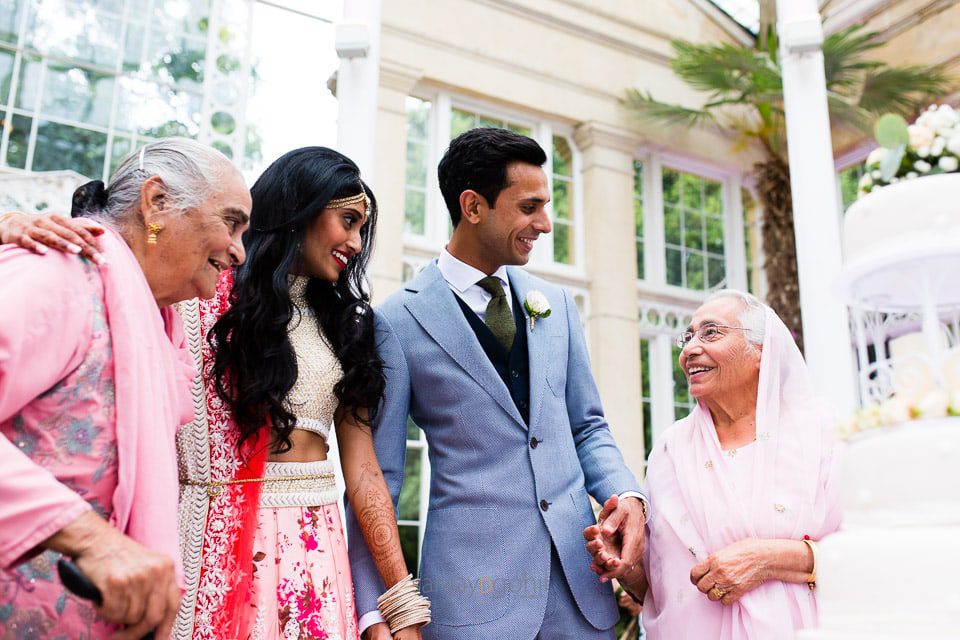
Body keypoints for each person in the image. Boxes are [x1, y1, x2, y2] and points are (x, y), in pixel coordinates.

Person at [3, 147, 427, 640]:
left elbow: (365, 471)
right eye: (347, 221)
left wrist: (396, 604)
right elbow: (113, 250)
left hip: (309, 550)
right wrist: (9, 224)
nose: (356, 243)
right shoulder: (183, 295)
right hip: (194, 541)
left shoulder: (339, 322)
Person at [346, 127, 647, 640]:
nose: (545, 224)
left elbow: (588, 427)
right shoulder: (396, 321)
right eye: (529, 207)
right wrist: (379, 613)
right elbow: (379, 479)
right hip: (471, 599)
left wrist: (627, 495)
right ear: (473, 205)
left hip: (580, 595)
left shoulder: (557, 306)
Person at [0, 138, 251, 639]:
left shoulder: (160, 325)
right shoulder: (61, 273)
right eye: (232, 222)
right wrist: (92, 539)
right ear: (156, 202)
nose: (240, 251)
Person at [584, 290, 842, 639]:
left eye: (711, 333)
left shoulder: (821, 433)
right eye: (687, 337)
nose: (689, 349)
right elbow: (661, 590)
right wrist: (626, 564)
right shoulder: (671, 450)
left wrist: (767, 559)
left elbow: (867, 554)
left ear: (761, 353)